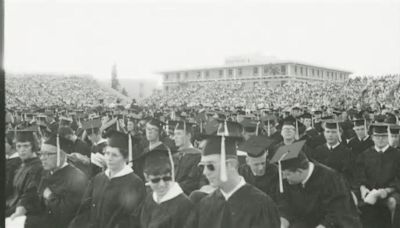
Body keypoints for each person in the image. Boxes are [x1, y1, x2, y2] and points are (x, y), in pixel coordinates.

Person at [186, 125, 280, 228]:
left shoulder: (262, 205)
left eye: (210, 166)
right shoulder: (205, 204)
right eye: (202, 166)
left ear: (229, 164)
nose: (205, 172)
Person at [271, 141, 362, 228]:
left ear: (299, 171)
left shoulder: (332, 179)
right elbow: (284, 205)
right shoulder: (288, 180)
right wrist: (282, 223)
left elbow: (338, 213)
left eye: (287, 174)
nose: (283, 178)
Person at [70, 130, 146, 228]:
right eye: (107, 153)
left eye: (114, 155)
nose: (109, 158)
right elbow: (85, 209)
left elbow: (133, 220)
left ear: (125, 158)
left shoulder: (135, 183)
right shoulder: (98, 179)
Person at [22, 135, 88, 228]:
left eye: (47, 154)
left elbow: (69, 214)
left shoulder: (77, 178)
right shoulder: (43, 172)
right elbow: (31, 194)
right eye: (41, 154)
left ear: (61, 155)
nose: (42, 158)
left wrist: (50, 196)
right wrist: (22, 207)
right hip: (41, 219)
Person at [355, 123, 400, 228]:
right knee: (354, 201)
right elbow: (359, 175)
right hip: (369, 191)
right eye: (377, 136)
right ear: (372, 137)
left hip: (391, 191)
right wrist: (363, 188)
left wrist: (387, 190)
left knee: (392, 202)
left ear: (388, 137)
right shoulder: (365, 155)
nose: (380, 139)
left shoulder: (397, 155)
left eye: (384, 136)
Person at [140, 148, 194, 228]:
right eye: (156, 180)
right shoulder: (149, 199)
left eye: (166, 178)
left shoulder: (184, 205)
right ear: (146, 177)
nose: (162, 184)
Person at [6, 128, 43, 219]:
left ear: (33, 146)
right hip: (10, 204)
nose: (22, 150)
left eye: (26, 146)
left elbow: (28, 197)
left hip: (23, 210)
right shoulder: (19, 164)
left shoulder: (38, 167)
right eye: (19, 146)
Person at [238, 135, 279, 201]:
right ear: (247, 161)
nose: (260, 168)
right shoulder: (241, 171)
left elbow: (278, 198)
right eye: (256, 164)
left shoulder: (275, 171)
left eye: (263, 163)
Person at [172, 121, 205, 195]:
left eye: (179, 134)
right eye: (174, 134)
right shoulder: (174, 156)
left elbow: (192, 182)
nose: (175, 137)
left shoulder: (198, 156)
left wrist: (171, 188)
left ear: (188, 136)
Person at [5, 130, 22, 199]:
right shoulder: (8, 159)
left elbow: (8, 188)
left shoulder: (16, 163)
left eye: (4, 142)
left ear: (12, 144)